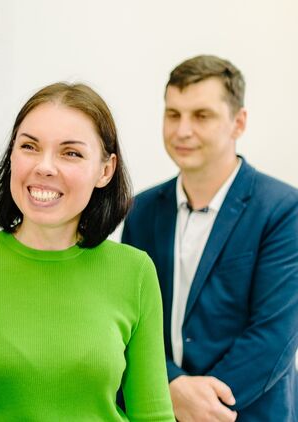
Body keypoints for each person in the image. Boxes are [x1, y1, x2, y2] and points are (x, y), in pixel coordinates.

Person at [0, 82, 174, 421]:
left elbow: (154, 417)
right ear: (12, 156)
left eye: (70, 153)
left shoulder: (135, 272)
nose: (45, 167)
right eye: (29, 146)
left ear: (105, 170)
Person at [122, 55, 298, 421]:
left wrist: (203, 406)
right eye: (173, 114)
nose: (182, 130)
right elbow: (129, 321)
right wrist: (170, 387)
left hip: (249, 413)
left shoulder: (283, 209)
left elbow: (273, 336)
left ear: (239, 122)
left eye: (201, 116)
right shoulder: (141, 210)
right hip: (162, 409)